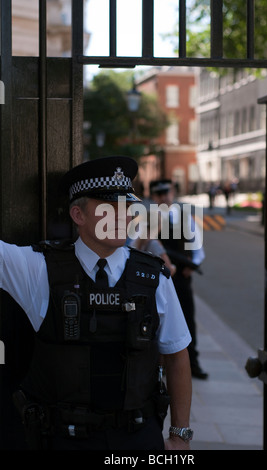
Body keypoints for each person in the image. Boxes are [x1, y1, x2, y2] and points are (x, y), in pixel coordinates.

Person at [0, 156, 193, 451]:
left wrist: (180, 435)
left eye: (127, 207)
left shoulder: (154, 277)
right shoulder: (38, 269)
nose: (122, 217)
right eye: (108, 209)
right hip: (62, 439)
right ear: (78, 215)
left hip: (137, 438)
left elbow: (177, 355)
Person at [149, 179, 208, 380]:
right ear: (154, 197)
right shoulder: (150, 219)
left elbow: (198, 248)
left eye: (167, 193)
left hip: (182, 277)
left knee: (187, 319)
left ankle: (192, 362)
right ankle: (159, 365)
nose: (164, 197)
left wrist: (193, 266)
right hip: (158, 278)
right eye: (160, 194)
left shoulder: (185, 217)